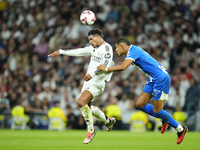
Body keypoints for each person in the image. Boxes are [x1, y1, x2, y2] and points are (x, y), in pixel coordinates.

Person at [97, 37, 188, 145]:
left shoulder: (133, 51)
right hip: (152, 78)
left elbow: (123, 67)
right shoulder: (132, 52)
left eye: (116, 48)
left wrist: (106, 69)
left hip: (161, 78)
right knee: (140, 104)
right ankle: (163, 119)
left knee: (158, 111)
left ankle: (180, 129)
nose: (115, 50)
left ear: (122, 46)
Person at [48, 28, 116, 144]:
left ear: (98, 37)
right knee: (87, 108)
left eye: (91, 39)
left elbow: (106, 64)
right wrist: (61, 51)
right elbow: (78, 51)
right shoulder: (94, 48)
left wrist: (93, 74)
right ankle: (108, 121)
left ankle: (91, 130)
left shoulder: (107, 48)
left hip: (98, 82)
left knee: (80, 102)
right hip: (88, 81)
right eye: (89, 39)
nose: (90, 42)